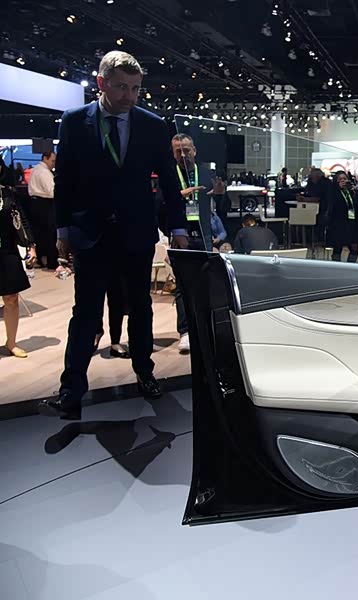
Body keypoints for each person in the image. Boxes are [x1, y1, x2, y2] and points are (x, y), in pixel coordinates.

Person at [38, 51, 188, 421]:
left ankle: (145, 373)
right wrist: (62, 230)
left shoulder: (152, 125)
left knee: (140, 306)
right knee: (85, 312)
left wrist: (178, 228)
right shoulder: (75, 122)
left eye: (135, 88)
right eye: (121, 87)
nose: (129, 96)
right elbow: (65, 181)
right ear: (102, 83)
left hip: (136, 231)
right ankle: (71, 391)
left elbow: (170, 183)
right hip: (91, 233)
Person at [169, 133, 226, 353]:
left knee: (206, 282)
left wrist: (218, 193)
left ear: (194, 150)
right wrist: (180, 194)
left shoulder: (205, 173)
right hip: (180, 235)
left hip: (203, 234)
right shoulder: (169, 174)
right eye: (178, 151)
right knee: (182, 286)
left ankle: (205, 327)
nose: (183, 155)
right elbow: (160, 203)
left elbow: (213, 200)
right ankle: (185, 331)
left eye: (186, 150)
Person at [0, 155, 33, 358]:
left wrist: (31, 246)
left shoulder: (8, 193)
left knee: (11, 298)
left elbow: (22, 220)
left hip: (7, 251)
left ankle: (11, 342)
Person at [28, 151, 58, 269]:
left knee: (39, 234)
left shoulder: (35, 169)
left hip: (34, 204)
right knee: (50, 234)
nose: (53, 164)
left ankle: (41, 259)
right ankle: (51, 261)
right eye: (52, 161)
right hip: (44, 204)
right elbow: (52, 192)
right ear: (45, 158)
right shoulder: (44, 172)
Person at [325, 171, 358, 262]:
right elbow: (333, 204)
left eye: (345, 179)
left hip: (351, 222)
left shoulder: (351, 191)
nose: (343, 181)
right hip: (339, 223)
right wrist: (338, 188)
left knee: (354, 248)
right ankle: (336, 265)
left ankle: (350, 266)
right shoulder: (333, 192)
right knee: (338, 248)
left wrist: (354, 191)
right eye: (340, 179)